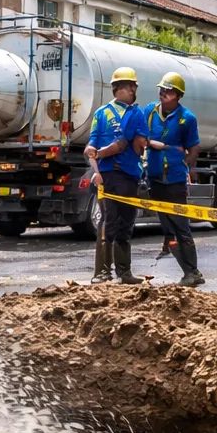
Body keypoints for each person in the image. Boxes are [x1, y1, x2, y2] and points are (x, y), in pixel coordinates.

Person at [84, 67, 148, 284]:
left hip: (128, 175)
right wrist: (92, 154)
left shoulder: (136, 113)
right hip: (109, 176)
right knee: (108, 220)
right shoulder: (102, 113)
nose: (135, 90)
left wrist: (98, 153)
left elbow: (125, 143)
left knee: (126, 222)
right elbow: (93, 141)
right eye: (133, 86)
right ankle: (102, 271)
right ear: (122, 87)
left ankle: (124, 272)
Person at [143, 72, 205, 286]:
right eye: (161, 90)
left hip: (175, 181)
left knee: (180, 226)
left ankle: (192, 271)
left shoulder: (186, 118)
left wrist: (183, 163)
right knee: (167, 228)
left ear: (178, 95)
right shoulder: (150, 111)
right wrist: (150, 145)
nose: (163, 94)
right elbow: (140, 136)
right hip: (154, 178)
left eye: (168, 91)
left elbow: (194, 147)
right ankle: (188, 271)